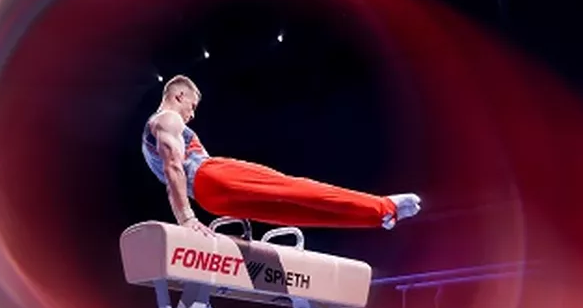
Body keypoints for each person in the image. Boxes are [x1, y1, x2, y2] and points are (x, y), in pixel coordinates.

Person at [142, 75, 422, 236]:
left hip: (209, 200)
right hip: (210, 176)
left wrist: (189, 215)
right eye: (192, 106)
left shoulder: (153, 132)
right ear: (179, 96)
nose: (192, 115)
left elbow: (171, 175)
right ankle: (383, 206)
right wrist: (186, 219)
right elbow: (173, 168)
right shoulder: (167, 119)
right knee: (293, 188)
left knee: (293, 212)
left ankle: (379, 215)